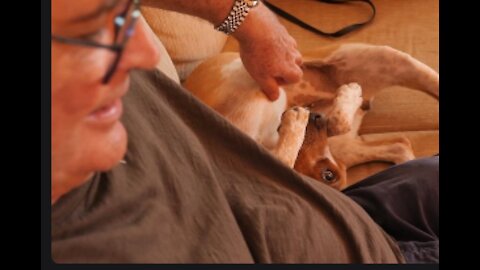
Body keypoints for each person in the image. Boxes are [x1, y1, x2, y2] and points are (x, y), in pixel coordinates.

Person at [51, 0, 438, 263]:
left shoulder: (90, 105)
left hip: (354, 216)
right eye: (84, 34)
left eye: (121, 14)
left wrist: (247, 19)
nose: (148, 56)